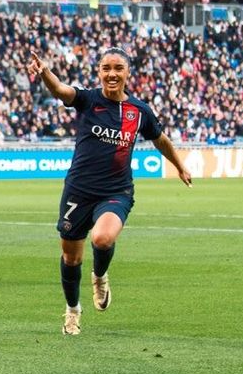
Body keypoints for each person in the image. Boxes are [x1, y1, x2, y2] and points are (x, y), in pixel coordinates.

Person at [27, 48, 191, 335]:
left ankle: (100, 275)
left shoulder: (139, 111)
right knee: (71, 258)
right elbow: (62, 92)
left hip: (116, 190)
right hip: (78, 190)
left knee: (102, 239)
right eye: (106, 68)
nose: (112, 74)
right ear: (99, 72)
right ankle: (73, 310)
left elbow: (160, 139)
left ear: (128, 72)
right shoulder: (89, 100)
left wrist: (179, 165)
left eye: (118, 68)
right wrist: (45, 73)